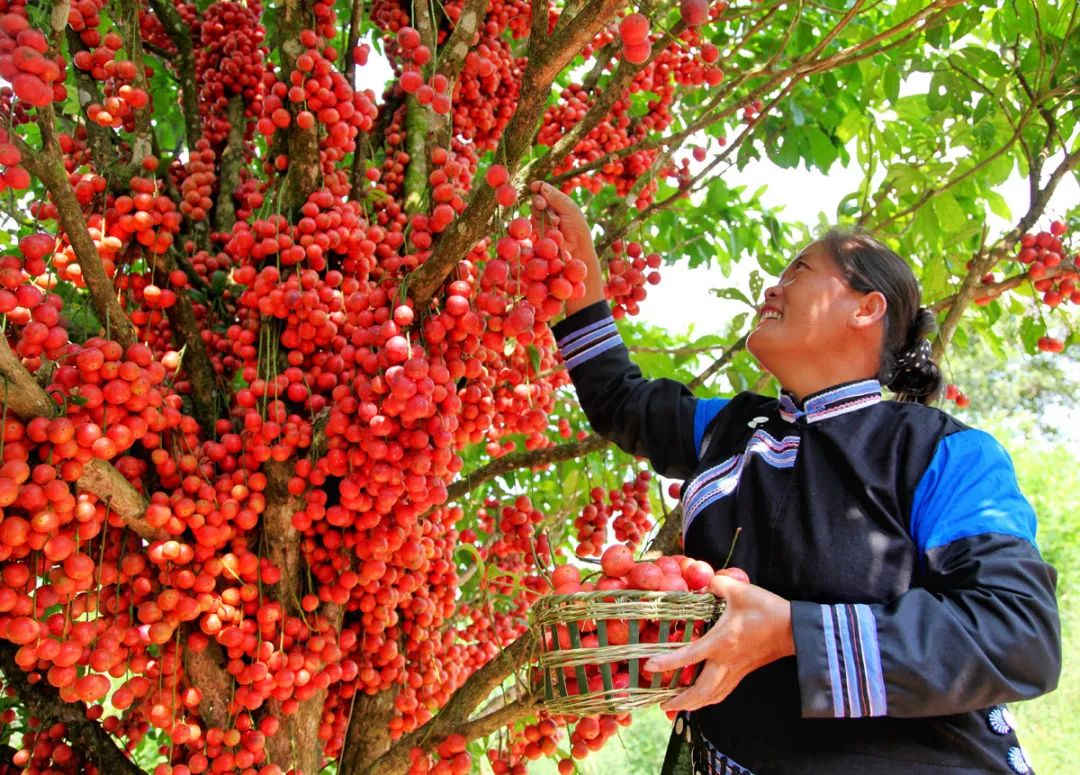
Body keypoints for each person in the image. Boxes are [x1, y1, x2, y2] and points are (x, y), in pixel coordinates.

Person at [528, 180, 1061, 774]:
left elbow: (1018, 635)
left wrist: (793, 633)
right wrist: (579, 270)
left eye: (800, 270)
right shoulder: (731, 430)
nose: (772, 287)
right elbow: (621, 403)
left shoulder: (941, 453)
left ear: (866, 308)